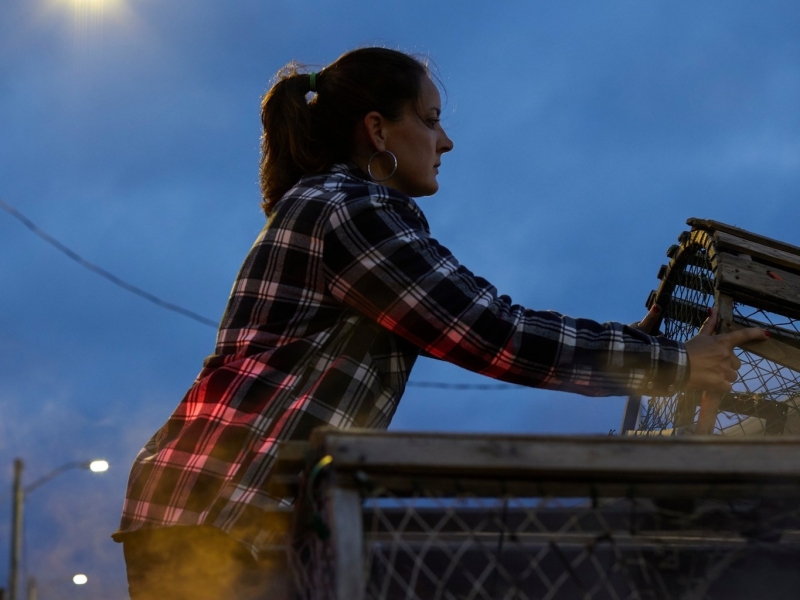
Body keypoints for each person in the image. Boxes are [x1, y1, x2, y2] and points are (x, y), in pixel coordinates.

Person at [112, 47, 766, 599]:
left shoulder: (326, 203)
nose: (445, 141)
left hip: (200, 506)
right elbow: (490, 333)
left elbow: (481, 322)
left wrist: (639, 347)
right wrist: (673, 366)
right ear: (377, 129)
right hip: (226, 512)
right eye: (430, 120)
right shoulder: (351, 207)